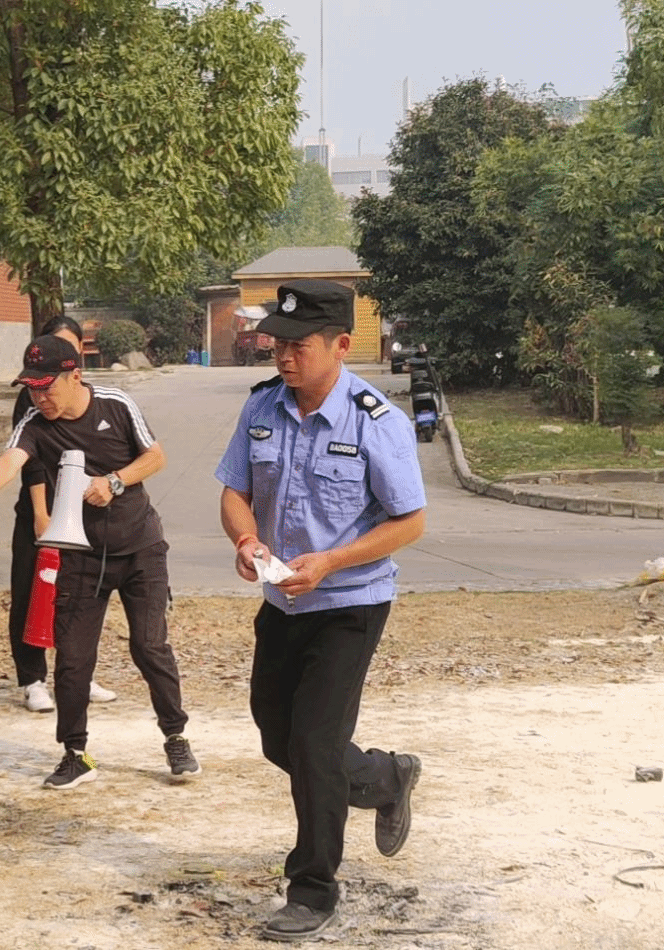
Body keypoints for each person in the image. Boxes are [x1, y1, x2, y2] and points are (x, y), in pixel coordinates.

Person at [215, 279, 426, 943]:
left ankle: (312, 889)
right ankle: (386, 777)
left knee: (312, 743)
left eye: (299, 345)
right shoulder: (262, 407)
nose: (283, 355)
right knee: (279, 737)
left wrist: (332, 562)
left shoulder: (376, 421)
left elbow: (410, 521)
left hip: (349, 605)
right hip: (283, 600)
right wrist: (246, 539)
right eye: (277, 343)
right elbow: (234, 491)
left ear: (340, 345)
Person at [0, 335, 198, 790]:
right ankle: (75, 754)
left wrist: (115, 482)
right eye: (32, 389)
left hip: (140, 548)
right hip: (80, 556)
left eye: (46, 388)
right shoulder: (35, 422)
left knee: (148, 645)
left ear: (75, 376)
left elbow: (155, 457)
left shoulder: (115, 404)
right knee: (73, 659)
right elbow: (10, 460)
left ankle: (175, 737)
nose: (39, 398)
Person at [7, 316, 115, 713]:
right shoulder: (35, 396)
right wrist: (41, 513)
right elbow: (28, 460)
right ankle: (32, 678)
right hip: (41, 510)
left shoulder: (90, 397)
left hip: (81, 514)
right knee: (31, 592)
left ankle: (77, 672)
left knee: (80, 597)